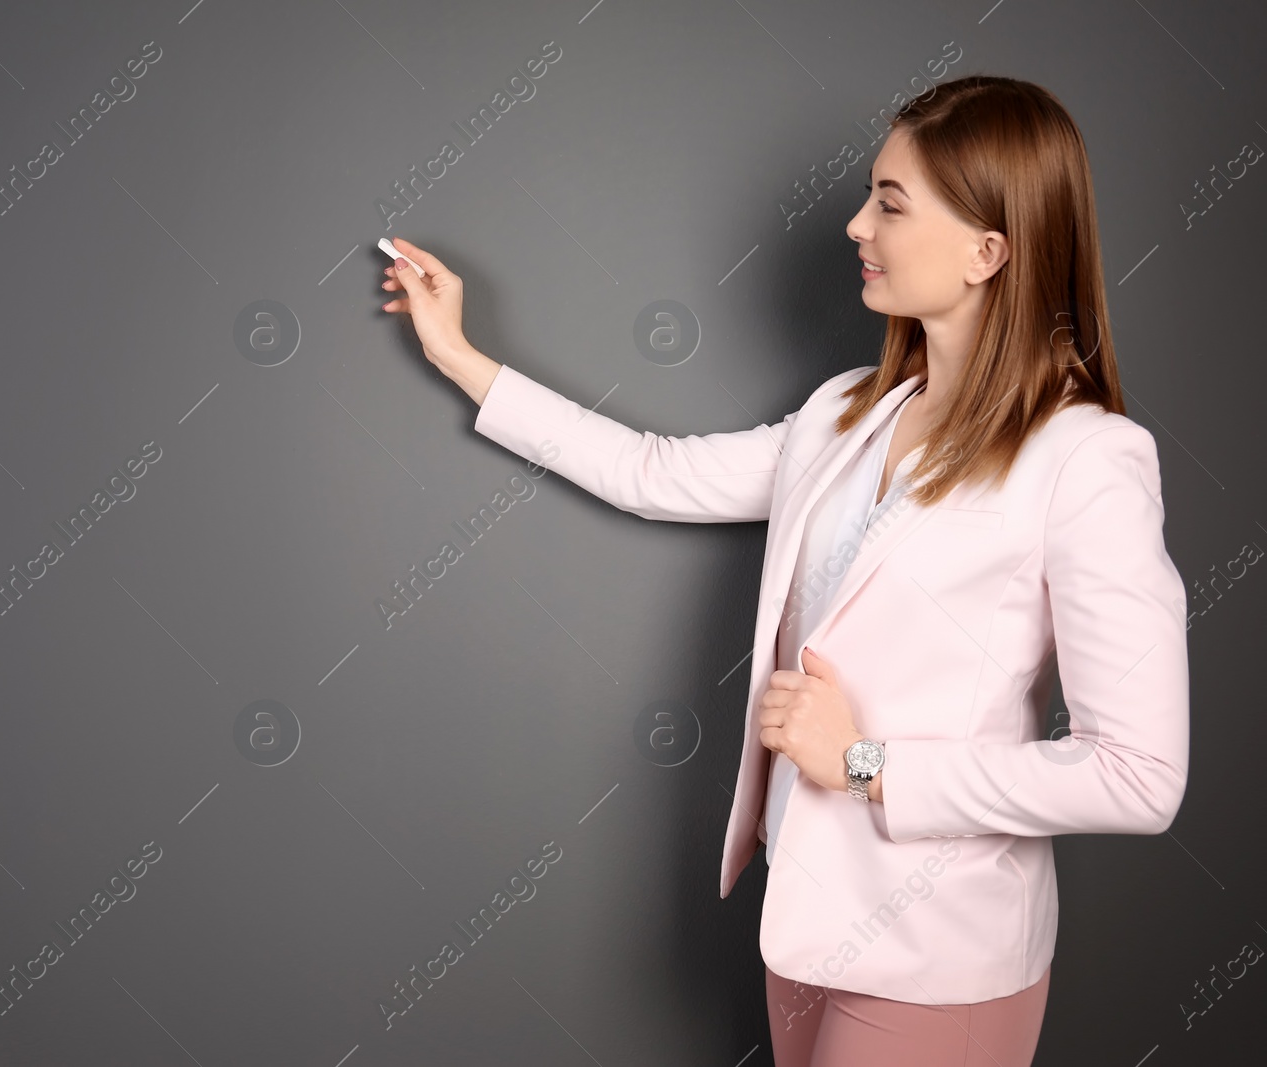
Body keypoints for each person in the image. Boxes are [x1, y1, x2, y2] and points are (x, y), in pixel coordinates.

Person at [376, 74, 1188, 1066]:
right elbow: (650, 472)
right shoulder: (847, 412)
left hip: (942, 956)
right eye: (868, 194)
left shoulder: (1085, 458)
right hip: (800, 928)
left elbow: (1137, 775)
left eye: (890, 203)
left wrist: (866, 762)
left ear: (989, 250)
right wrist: (460, 355)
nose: (855, 224)